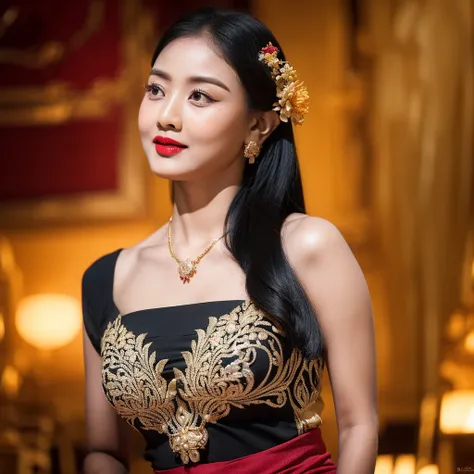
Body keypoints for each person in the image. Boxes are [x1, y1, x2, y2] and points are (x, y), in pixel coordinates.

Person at [81, 7, 378, 474]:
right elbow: (105, 451)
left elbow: (359, 425)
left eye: (200, 96)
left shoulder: (306, 247)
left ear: (258, 125)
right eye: (156, 89)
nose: (168, 116)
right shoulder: (106, 279)